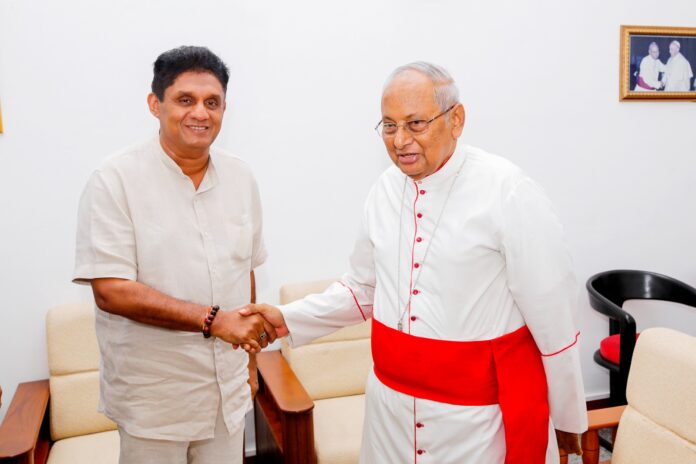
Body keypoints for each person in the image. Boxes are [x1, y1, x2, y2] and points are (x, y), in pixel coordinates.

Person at [242, 62, 587, 463]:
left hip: (474, 422)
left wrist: (568, 416)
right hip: (390, 413)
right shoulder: (384, 190)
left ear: (456, 119)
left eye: (416, 123)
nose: (400, 140)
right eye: (389, 126)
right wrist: (285, 318)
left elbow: (554, 317)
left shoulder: (508, 191)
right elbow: (362, 290)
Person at [72, 46, 275, 464]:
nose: (200, 113)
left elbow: (246, 272)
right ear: (155, 104)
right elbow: (111, 290)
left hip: (227, 395)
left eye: (212, 102)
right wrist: (213, 320)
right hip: (154, 403)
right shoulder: (114, 180)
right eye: (185, 100)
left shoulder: (241, 177)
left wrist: (250, 365)